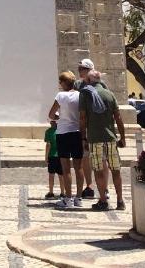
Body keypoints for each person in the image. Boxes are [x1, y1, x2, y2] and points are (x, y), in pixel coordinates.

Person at [79, 69, 126, 211]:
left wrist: (83, 137)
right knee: (116, 170)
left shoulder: (85, 94)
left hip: (95, 138)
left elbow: (82, 118)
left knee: (99, 171)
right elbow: (118, 117)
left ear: (89, 80)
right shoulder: (110, 94)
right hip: (111, 138)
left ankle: (103, 201)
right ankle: (120, 201)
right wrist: (122, 137)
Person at [48, 70, 84, 210]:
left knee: (66, 167)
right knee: (78, 167)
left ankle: (68, 198)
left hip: (63, 133)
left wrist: (60, 118)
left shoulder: (60, 96)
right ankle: (79, 197)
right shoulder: (80, 96)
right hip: (76, 132)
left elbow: (51, 114)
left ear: (63, 82)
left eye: (60, 82)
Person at [73, 58, 104, 198]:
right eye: (79, 68)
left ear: (90, 69)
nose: (80, 70)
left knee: (103, 158)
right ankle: (89, 186)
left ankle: (105, 188)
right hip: (84, 127)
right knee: (86, 157)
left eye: (82, 68)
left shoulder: (101, 85)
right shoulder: (78, 85)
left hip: (97, 126)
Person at [44, 119, 63, 199]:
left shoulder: (48, 131)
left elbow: (48, 145)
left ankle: (51, 192)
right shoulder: (62, 131)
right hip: (61, 156)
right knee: (61, 175)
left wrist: (46, 156)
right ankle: (63, 192)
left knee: (51, 175)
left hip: (52, 156)